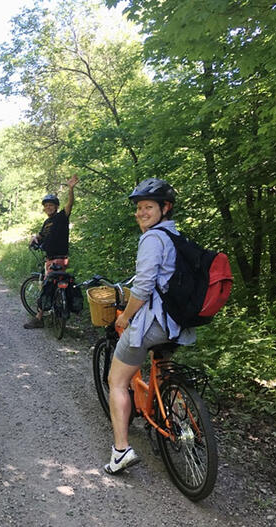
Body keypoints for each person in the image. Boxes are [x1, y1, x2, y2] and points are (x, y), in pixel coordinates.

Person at [104, 178, 196, 474]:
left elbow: (142, 289)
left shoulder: (152, 239)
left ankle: (120, 451)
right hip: (179, 324)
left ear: (164, 208)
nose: (141, 212)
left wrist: (126, 317)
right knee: (162, 363)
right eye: (139, 208)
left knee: (116, 381)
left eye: (148, 207)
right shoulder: (175, 236)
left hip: (154, 323)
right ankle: (176, 412)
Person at [24, 174, 78, 329]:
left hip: (58, 259)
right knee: (52, 284)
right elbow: (41, 236)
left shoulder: (61, 217)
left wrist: (71, 189)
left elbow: (70, 205)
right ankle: (57, 309)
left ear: (56, 207)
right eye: (46, 205)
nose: (48, 207)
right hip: (51, 258)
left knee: (46, 286)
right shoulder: (47, 222)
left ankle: (39, 318)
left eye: (51, 205)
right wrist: (35, 238)